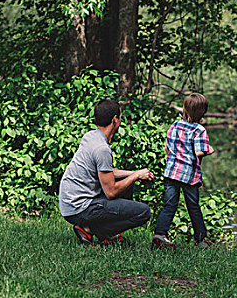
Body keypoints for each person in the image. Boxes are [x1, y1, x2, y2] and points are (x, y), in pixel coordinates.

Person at [59, 99, 154, 246]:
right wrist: (135, 176)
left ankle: (105, 232)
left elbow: (106, 172)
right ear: (115, 120)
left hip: (70, 203)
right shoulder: (102, 149)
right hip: (79, 208)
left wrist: (133, 173)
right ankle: (92, 229)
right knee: (144, 212)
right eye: (121, 117)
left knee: (128, 182)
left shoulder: (91, 136)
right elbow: (111, 192)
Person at [152, 93, 215, 249]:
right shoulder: (199, 130)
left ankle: (159, 234)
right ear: (203, 112)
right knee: (193, 206)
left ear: (185, 109)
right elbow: (199, 152)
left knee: (169, 204)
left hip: (171, 172)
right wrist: (209, 150)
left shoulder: (175, 125)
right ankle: (200, 240)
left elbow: (167, 148)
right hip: (189, 176)